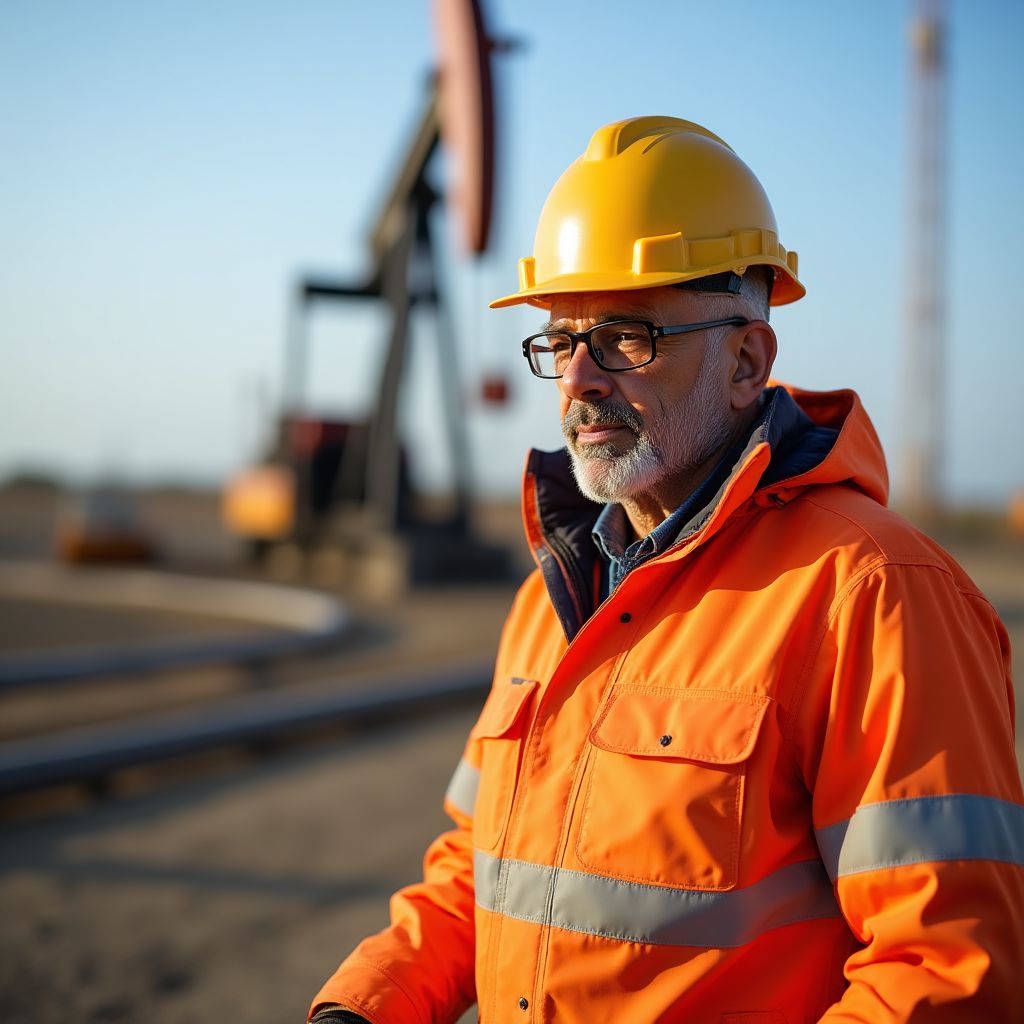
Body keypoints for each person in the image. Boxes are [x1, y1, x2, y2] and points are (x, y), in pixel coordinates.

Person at [308, 116, 1024, 1023]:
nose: (578, 381)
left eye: (626, 337)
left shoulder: (873, 594)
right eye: (562, 342)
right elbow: (475, 873)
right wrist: (364, 1009)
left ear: (746, 361)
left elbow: (943, 971)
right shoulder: (553, 596)